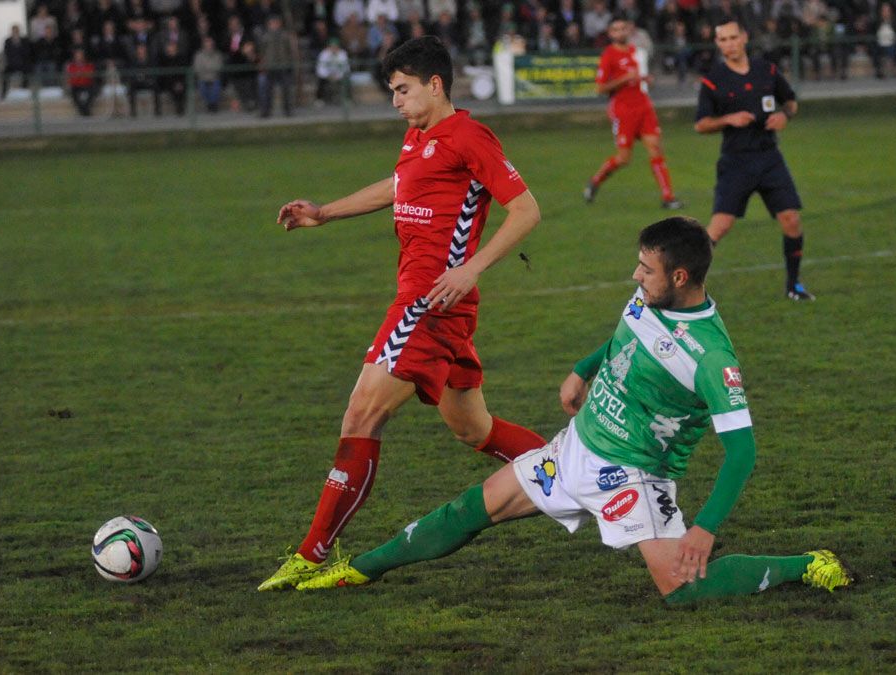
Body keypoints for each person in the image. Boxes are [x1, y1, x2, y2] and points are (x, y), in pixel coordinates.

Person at [292, 217, 855, 602]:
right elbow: (626, 338)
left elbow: (743, 452)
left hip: (633, 475)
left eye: (646, 268)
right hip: (576, 446)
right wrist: (584, 368)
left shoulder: (710, 358)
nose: (636, 275)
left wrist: (704, 528)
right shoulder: (648, 297)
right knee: (471, 509)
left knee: (684, 590)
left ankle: (806, 564)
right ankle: (357, 570)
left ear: (679, 278)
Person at [258, 36, 545, 592]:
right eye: (393, 90)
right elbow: (398, 187)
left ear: (435, 85)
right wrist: (324, 212)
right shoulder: (418, 138)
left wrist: (472, 268)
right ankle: (593, 473)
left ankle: (312, 554)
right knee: (474, 428)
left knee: (361, 417)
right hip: (438, 307)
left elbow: (526, 209)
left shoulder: (468, 135)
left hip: (428, 304)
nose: (395, 100)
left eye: (402, 89)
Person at [695, 18, 814, 302]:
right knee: (720, 227)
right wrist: (728, 119)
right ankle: (685, 290)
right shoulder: (713, 80)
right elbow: (700, 125)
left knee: (791, 220)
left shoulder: (767, 70)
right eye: (722, 40)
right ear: (717, 44)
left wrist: (785, 115)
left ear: (744, 38)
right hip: (736, 161)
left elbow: (791, 101)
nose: (729, 45)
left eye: (733, 38)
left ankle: (793, 285)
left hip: (770, 158)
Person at [584, 18, 683, 211]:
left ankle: (668, 197)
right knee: (623, 158)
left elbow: (633, 79)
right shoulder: (608, 55)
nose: (620, 32)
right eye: (616, 29)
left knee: (655, 147)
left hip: (643, 106)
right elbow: (600, 88)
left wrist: (645, 79)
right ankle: (595, 181)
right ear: (610, 34)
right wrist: (623, 79)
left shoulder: (633, 51)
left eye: (623, 28)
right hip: (623, 111)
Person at [257, 14, 295, 117]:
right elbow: (261, 51)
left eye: (276, 23)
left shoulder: (286, 36)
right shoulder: (265, 37)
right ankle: (266, 111)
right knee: (267, 91)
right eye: (272, 23)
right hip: (270, 66)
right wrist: (263, 64)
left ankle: (288, 111)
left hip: (283, 66)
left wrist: (289, 62)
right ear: (268, 25)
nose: (274, 25)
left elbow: (290, 51)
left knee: (286, 90)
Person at [314, 37, 350, 105]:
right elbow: (320, 69)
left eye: (335, 47)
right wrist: (328, 76)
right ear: (329, 47)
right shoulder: (324, 54)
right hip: (327, 76)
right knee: (320, 81)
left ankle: (347, 99)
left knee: (347, 80)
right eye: (332, 47)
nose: (334, 49)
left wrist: (338, 76)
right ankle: (319, 99)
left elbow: (346, 68)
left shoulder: (342, 54)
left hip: (339, 76)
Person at [193, 35, 224, 112]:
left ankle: (212, 105)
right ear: (203, 45)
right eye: (207, 44)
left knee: (216, 86)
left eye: (210, 44)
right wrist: (209, 70)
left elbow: (219, 67)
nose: (209, 45)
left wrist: (207, 69)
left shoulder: (218, 55)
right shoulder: (198, 55)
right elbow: (197, 68)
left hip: (214, 77)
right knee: (202, 87)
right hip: (203, 78)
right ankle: (210, 104)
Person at [1, 25, 33, 99]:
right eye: (14, 31)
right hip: (12, 64)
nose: (15, 32)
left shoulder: (24, 40)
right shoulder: (8, 41)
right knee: (5, 73)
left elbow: (27, 53)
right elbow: (7, 53)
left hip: (22, 63)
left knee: (27, 70)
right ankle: (4, 93)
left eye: (17, 31)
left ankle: (24, 89)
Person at [66, 47, 98, 115]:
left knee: (93, 91)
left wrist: (81, 74)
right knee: (73, 93)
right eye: (77, 56)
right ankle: (84, 111)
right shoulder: (71, 65)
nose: (79, 57)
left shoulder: (89, 64)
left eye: (80, 55)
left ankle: (85, 110)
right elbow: (71, 76)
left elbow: (91, 75)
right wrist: (81, 74)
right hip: (76, 85)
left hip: (87, 84)